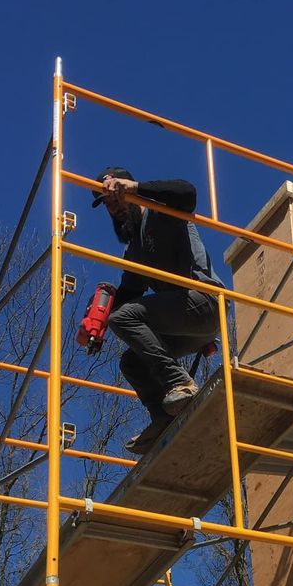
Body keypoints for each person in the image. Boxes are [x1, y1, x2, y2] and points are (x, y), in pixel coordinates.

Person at [91, 168, 224, 454]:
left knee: (123, 317)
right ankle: (163, 416)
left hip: (206, 302)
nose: (112, 206)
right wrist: (96, 323)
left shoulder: (161, 211)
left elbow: (187, 191)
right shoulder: (134, 248)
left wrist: (136, 187)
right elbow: (129, 292)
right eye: (107, 203)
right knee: (131, 362)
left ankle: (180, 383)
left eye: (115, 195)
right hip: (187, 326)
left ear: (128, 188)